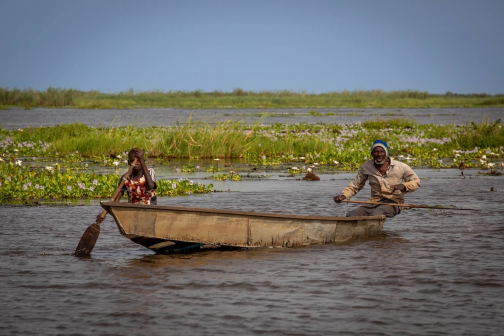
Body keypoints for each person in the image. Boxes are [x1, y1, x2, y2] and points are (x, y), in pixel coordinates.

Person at [333, 140, 420, 218]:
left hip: (394, 202)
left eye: (382, 152)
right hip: (373, 202)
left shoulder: (400, 166)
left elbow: (416, 181)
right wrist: (344, 196)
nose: (379, 155)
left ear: (386, 154)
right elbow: (356, 185)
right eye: (376, 152)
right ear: (372, 154)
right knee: (351, 215)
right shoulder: (366, 167)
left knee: (376, 213)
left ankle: (372, 233)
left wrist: (404, 186)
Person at [96, 148, 157, 223]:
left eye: (139, 161)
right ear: (128, 162)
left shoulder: (149, 172)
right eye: (133, 161)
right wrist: (104, 214)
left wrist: (142, 160)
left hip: (149, 211)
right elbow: (116, 199)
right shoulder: (125, 178)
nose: (136, 163)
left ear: (143, 161)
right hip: (132, 212)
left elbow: (151, 186)